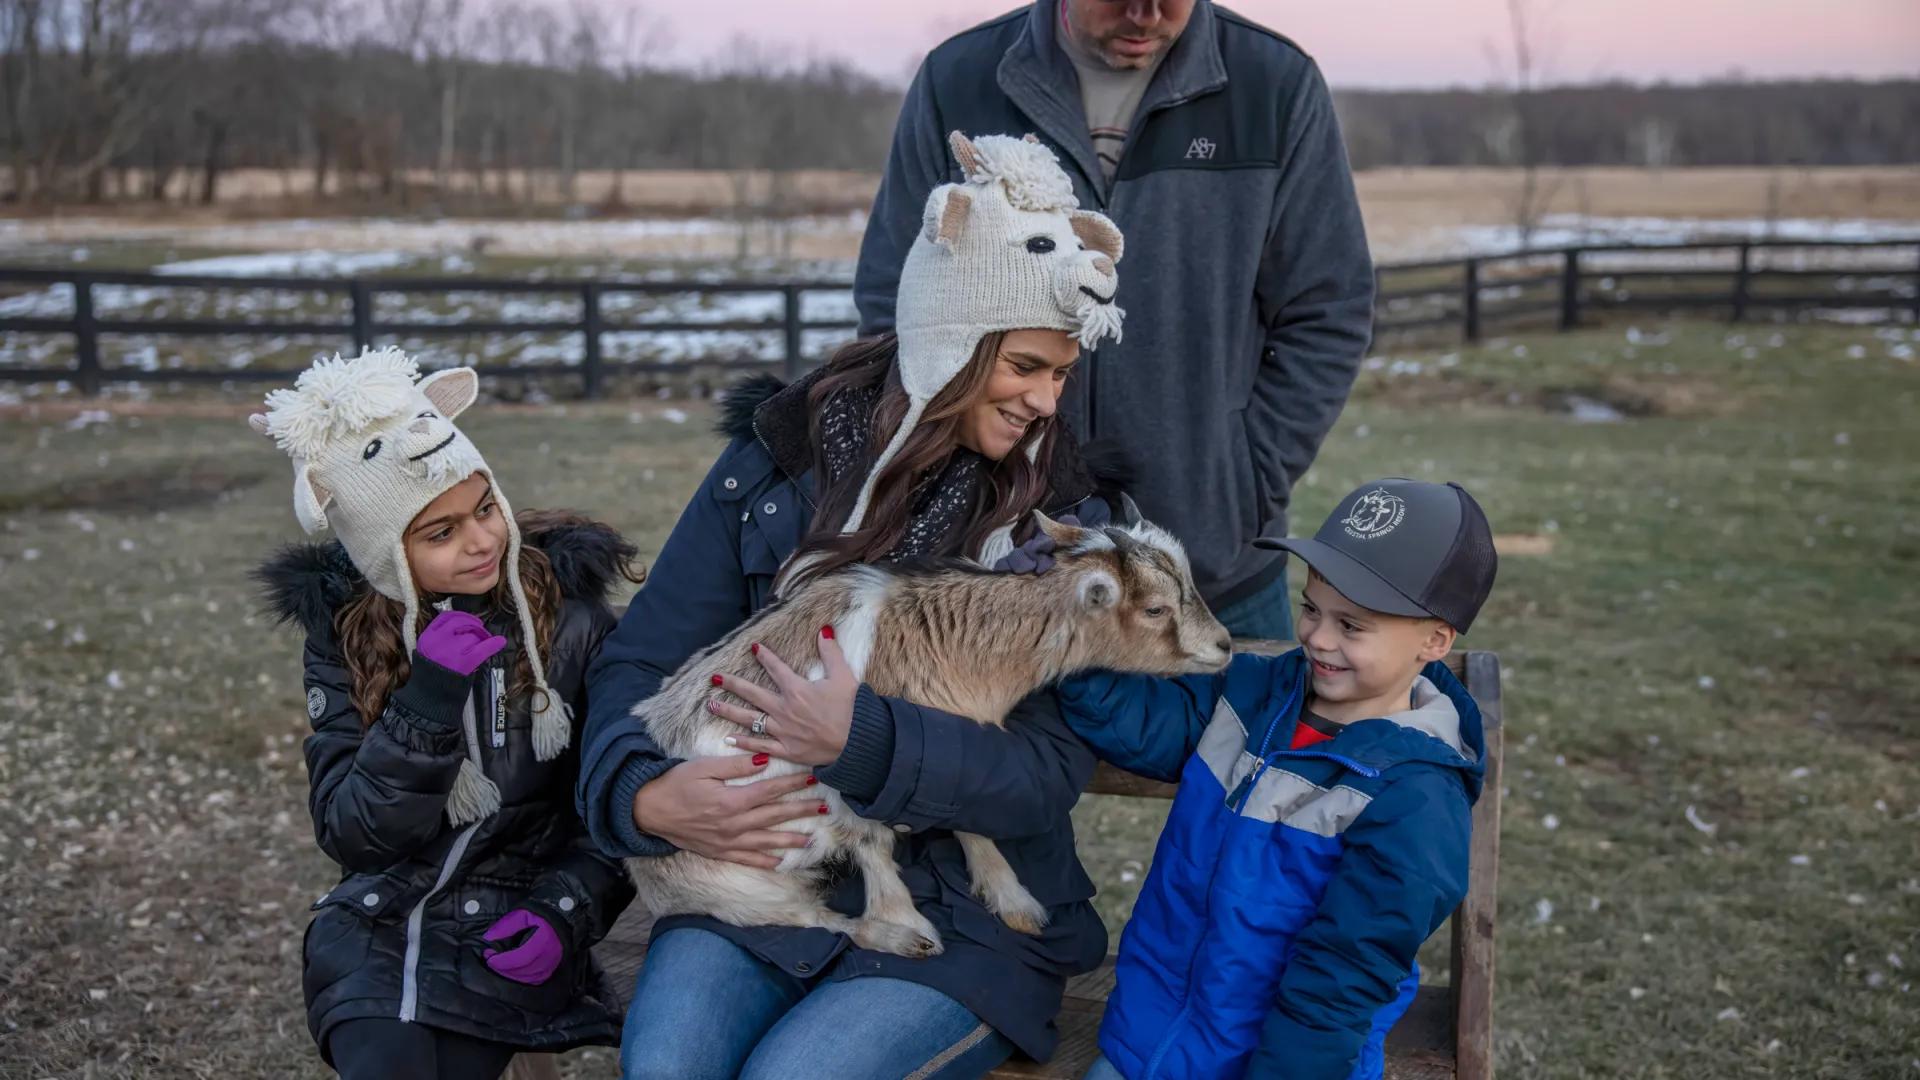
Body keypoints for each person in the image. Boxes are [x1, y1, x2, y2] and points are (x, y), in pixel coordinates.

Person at [578, 134, 1131, 1080]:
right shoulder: (775, 471)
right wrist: (642, 793)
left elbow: (1044, 772)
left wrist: (862, 741)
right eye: (1026, 368)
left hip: (968, 906)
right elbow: (640, 662)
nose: (1048, 400)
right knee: (668, 1068)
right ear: (953, 344)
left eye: (1062, 373)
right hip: (761, 870)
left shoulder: (1062, 534)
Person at [854, 0, 1377, 641]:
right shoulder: (959, 79)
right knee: (985, 746)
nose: (1146, 13)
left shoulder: (1274, 84)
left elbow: (1329, 308)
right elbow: (894, 299)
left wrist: (1247, 480)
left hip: (1214, 576)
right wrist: (961, 469)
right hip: (1001, 569)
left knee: (1234, 745)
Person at [249, 347, 641, 1079]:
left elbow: (617, 800)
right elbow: (353, 831)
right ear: (382, 554)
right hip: (380, 920)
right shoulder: (345, 638)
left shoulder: (574, 622)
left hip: (515, 920)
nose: (481, 540)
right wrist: (425, 705)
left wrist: (565, 906)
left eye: (484, 507)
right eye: (440, 533)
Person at [1054, 479, 1499, 1080]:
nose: (1317, 636)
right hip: (1147, 1039)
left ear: (1435, 641)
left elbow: (1345, 975)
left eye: (1353, 625)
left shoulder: (1416, 793)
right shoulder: (1252, 695)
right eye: (1312, 607)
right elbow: (1138, 724)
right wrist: (1068, 629)